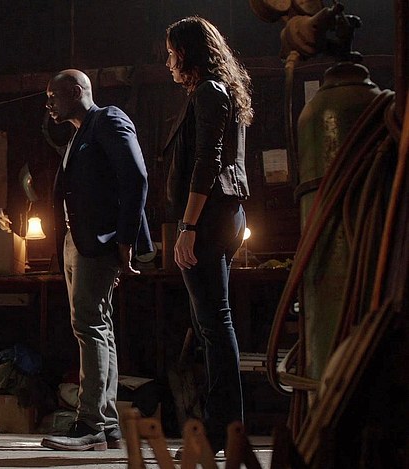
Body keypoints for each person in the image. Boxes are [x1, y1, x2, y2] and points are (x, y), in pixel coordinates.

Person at [40, 69, 152, 451]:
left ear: (75, 92)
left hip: (99, 242)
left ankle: (89, 423)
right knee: (96, 326)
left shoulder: (108, 119)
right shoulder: (77, 134)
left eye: (53, 96)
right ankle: (107, 426)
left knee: (89, 324)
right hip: (77, 241)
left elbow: (136, 177)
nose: (49, 104)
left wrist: (125, 240)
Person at [164, 16, 253, 454]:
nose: (168, 63)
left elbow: (206, 162)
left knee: (215, 325)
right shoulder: (219, 92)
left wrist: (188, 227)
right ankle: (224, 427)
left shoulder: (209, 92)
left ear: (187, 53)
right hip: (222, 216)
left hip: (210, 218)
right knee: (212, 325)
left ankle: (222, 430)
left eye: (171, 53)